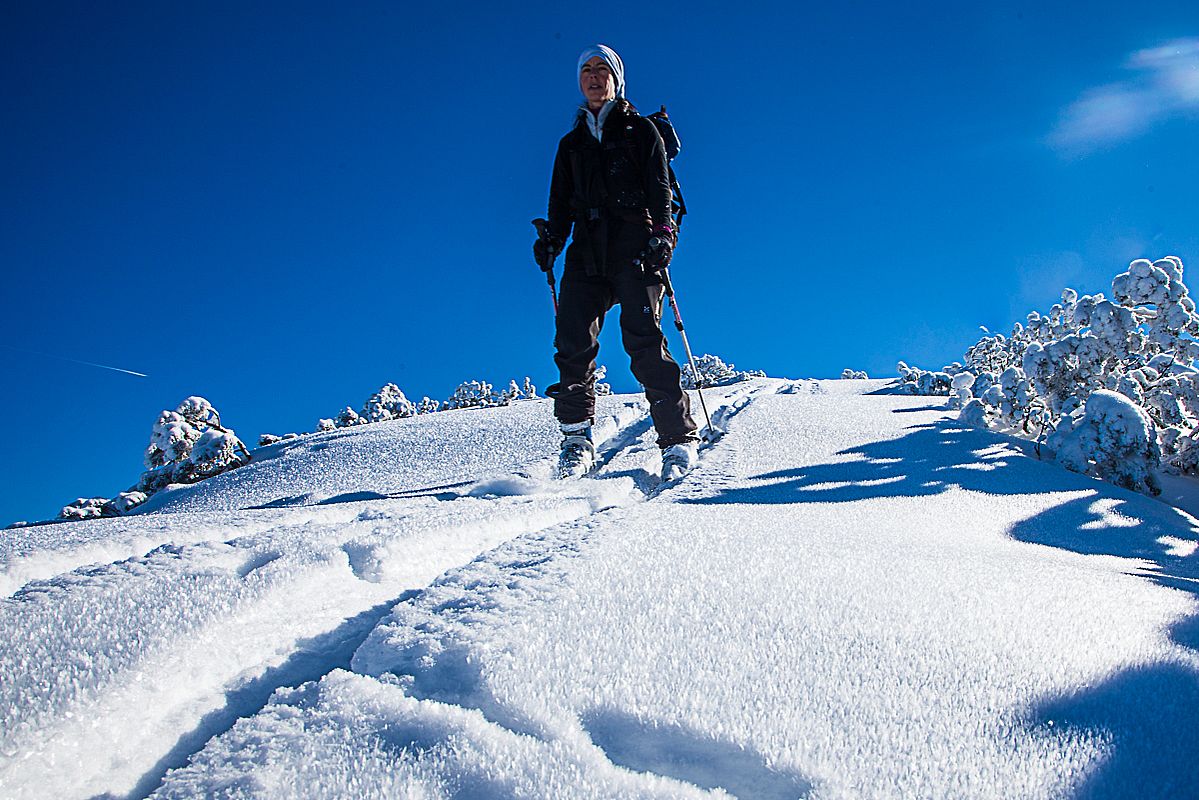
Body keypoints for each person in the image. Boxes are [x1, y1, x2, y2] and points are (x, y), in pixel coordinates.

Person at [534, 43, 699, 481]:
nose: (592, 76)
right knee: (572, 341)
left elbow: (659, 188)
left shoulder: (640, 131)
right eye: (586, 69)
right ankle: (575, 439)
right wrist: (552, 239)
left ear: (616, 78)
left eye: (601, 69)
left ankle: (677, 440)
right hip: (586, 248)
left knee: (643, 339)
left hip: (635, 243)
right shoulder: (570, 144)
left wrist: (663, 235)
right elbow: (559, 204)